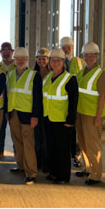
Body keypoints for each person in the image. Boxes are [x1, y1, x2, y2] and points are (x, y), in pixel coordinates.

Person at [43, 48, 80, 184]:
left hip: (62, 120)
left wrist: (71, 120)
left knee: (62, 149)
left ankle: (63, 176)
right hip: (48, 118)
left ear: (63, 62)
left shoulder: (70, 79)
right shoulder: (48, 78)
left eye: (58, 61)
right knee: (51, 147)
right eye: (53, 61)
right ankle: (53, 172)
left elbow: (73, 101)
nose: (55, 63)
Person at [6, 47, 42, 185]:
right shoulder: (10, 75)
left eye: (23, 58)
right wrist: (7, 113)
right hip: (13, 113)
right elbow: (8, 94)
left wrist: (35, 116)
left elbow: (37, 98)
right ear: (14, 60)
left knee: (28, 144)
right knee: (17, 142)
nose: (20, 60)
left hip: (28, 115)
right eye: (18, 58)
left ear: (27, 60)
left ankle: (31, 173)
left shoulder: (34, 75)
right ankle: (21, 166)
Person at [75, 42, 105, 185]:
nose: (89, 57)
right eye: (86, 55)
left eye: (92, 55)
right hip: (80, 112)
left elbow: (102, 96)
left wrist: (98, 117)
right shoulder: (80, 73)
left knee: (93, 144)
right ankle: (88, 167)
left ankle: (96, 174)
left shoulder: (102, 74)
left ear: (97, 56)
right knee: (83, 142)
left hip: (92, 114)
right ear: (83, 56)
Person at [59, 36, 84, 167]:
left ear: (73, 48)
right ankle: (66, 154)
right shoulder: (57, 61)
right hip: (61, 101)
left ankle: (76, 155)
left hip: (75, 100)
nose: (67, 49)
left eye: (69, 46)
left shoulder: (80, 62)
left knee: (76, 130)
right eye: (64, 47)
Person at [33, 47, 52, 174]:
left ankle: (47, 164)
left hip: (50, 110)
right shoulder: (33, 74)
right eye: (39, 59)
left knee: (47, 139)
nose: (41, 61)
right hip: (37, 110)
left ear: (48, 60)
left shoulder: (53, 74)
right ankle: (38, 162)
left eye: (44, 59)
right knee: (37, 138)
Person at [0, 42, 16, 157]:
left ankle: (17, 154)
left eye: (8, 51)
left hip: (14, 102)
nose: (6, 53)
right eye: (3, 51)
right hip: (0, 102)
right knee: (0, 129)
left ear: (12, 52)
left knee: (15, 131)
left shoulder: (18, 65)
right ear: (1, 53)